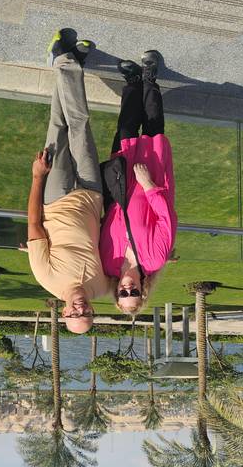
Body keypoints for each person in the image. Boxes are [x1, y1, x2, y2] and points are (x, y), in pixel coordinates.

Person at [26, 30, 110, 334]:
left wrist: (37, 177)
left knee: (58, 127)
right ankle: (65, 63)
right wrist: (160, 263)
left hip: (55, 195)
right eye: (87, 313)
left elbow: (34, 226)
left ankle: (67, 63)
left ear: (64, 313)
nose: (81, 308)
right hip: (92, 193)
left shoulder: (47, 279)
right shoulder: (102, 287)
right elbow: (133, 281)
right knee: (80, 126)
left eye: (75, 314)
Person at [99, 51, 177, 315]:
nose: (128, 289)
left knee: (126, 130)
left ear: (117, 292)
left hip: (120, 184)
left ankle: (132, 82)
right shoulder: (155, 259)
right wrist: (149, 185)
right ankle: (150, 79)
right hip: (149, 181)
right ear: (143, 291)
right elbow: (166, 219)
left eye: (123, 294)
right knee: (153, 127)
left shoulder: (108, 264)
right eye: (134, 294)